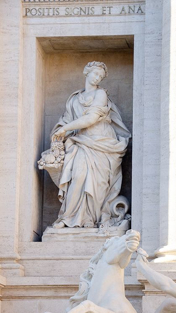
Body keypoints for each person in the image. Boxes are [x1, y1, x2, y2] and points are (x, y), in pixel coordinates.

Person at [49, 61, 131, 229]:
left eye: (100, 76)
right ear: (87, 72)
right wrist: (60, 133)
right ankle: (69, 217)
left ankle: (90, 220)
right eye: (95, 74)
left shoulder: (100, 94)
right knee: (78, 176)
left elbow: (91, 119)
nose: (97, 78)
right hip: (81, 142)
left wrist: (65, 129)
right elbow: (66, 119)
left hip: (102, 143)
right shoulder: (74, 99)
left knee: (98, 183)